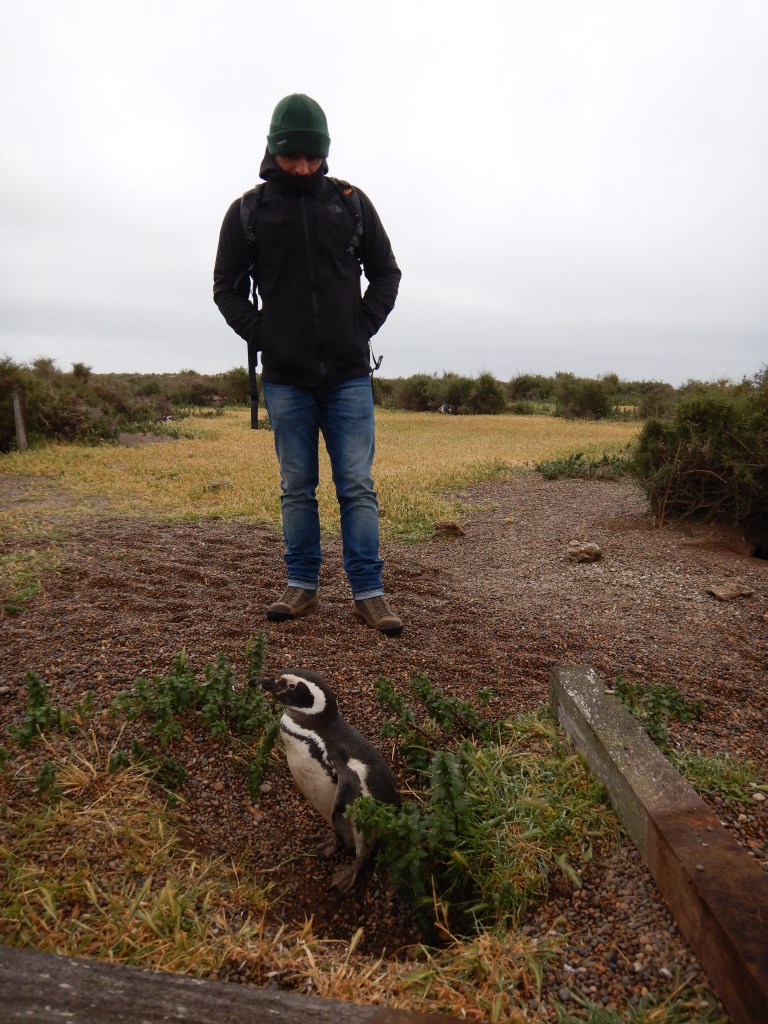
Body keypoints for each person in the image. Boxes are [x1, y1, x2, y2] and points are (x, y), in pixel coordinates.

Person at [213, 93, 403, 636]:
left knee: (357, 486)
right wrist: (264, 335)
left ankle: (369, 593)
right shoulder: (249, 212)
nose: (303, 167)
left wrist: (361, 325)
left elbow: (386, 273)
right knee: (297, 487)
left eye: (312, 156)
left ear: (325, 152)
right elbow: (226, 287)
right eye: (293, 156)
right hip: (286, 380)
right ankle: (301, 586)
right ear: (273, 150)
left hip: (348, 376)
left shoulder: (350, 203)